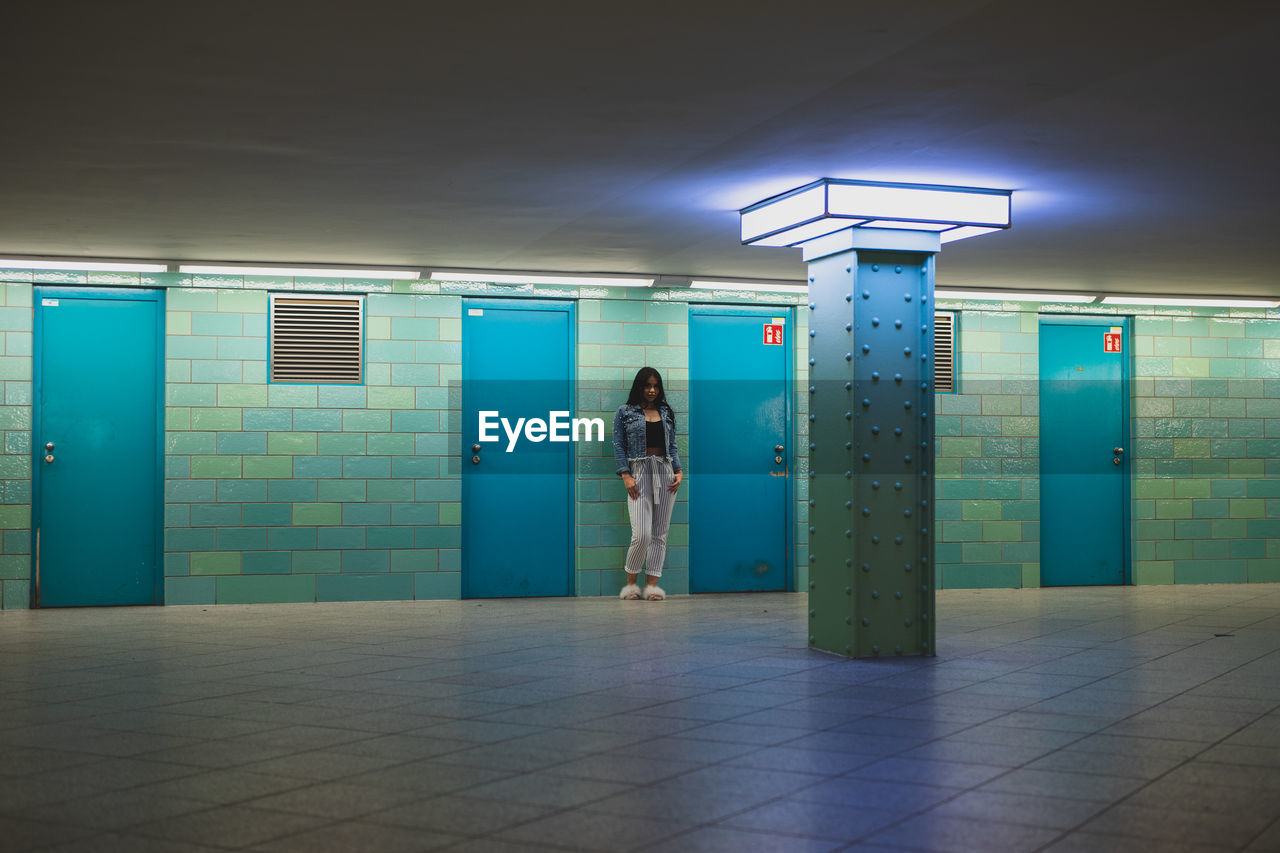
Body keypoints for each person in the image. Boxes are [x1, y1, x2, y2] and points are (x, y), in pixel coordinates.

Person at [613, 367, 683, 601]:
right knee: (641, 534)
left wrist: (679, 471)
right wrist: (625, 474)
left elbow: (672, 445)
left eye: (656, 386)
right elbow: (619, 445)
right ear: (639, 386)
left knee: (659, 533)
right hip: (639, 471)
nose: (652, 390)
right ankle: (631, 585)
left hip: (665, 471)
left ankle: (652, 587)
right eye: (647, 385)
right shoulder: (625, 412)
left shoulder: (666, 411)